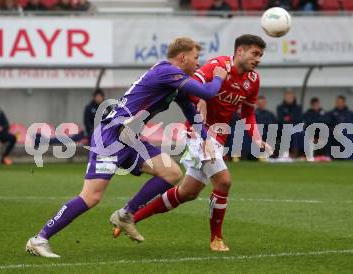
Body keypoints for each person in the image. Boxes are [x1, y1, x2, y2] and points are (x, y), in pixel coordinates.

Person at [25, 37, 228, 258]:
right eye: (196, 58)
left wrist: (206, 139)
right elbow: (207, 93)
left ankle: (125, 214)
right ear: (182, 57)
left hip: (129, 136)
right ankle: (39, 239)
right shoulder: (167, 72)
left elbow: (191, 111)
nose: (199, 64)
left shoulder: (173, 80)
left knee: (171, 172)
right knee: (91, 196)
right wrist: (218, 77)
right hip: (111, 135)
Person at [113, 34, 272, 252]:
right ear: (240, 51)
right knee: (224, 181)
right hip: (199, 132)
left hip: (219, 136)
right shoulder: (216, 66)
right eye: (255, 53)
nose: (258, 59)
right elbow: (189, 86)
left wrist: (257, 138)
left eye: (261, 55)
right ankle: (216, 238)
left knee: (187, 192)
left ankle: (131, 217)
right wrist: (201, 102)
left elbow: (248, 113)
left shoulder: (253, 80)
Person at [276, 89, 303, 157]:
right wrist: (292, 119)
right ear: (284, 98)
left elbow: (299, 119)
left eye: (291, 97)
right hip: (283, 128)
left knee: (300, 132)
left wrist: (288, 118)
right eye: (287, 97)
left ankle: (298, 153)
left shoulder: (298, 108)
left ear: (294, 98)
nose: (289, 98)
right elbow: (281, 120)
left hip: (295, 128)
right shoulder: (280, 108)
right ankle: (289, 153)